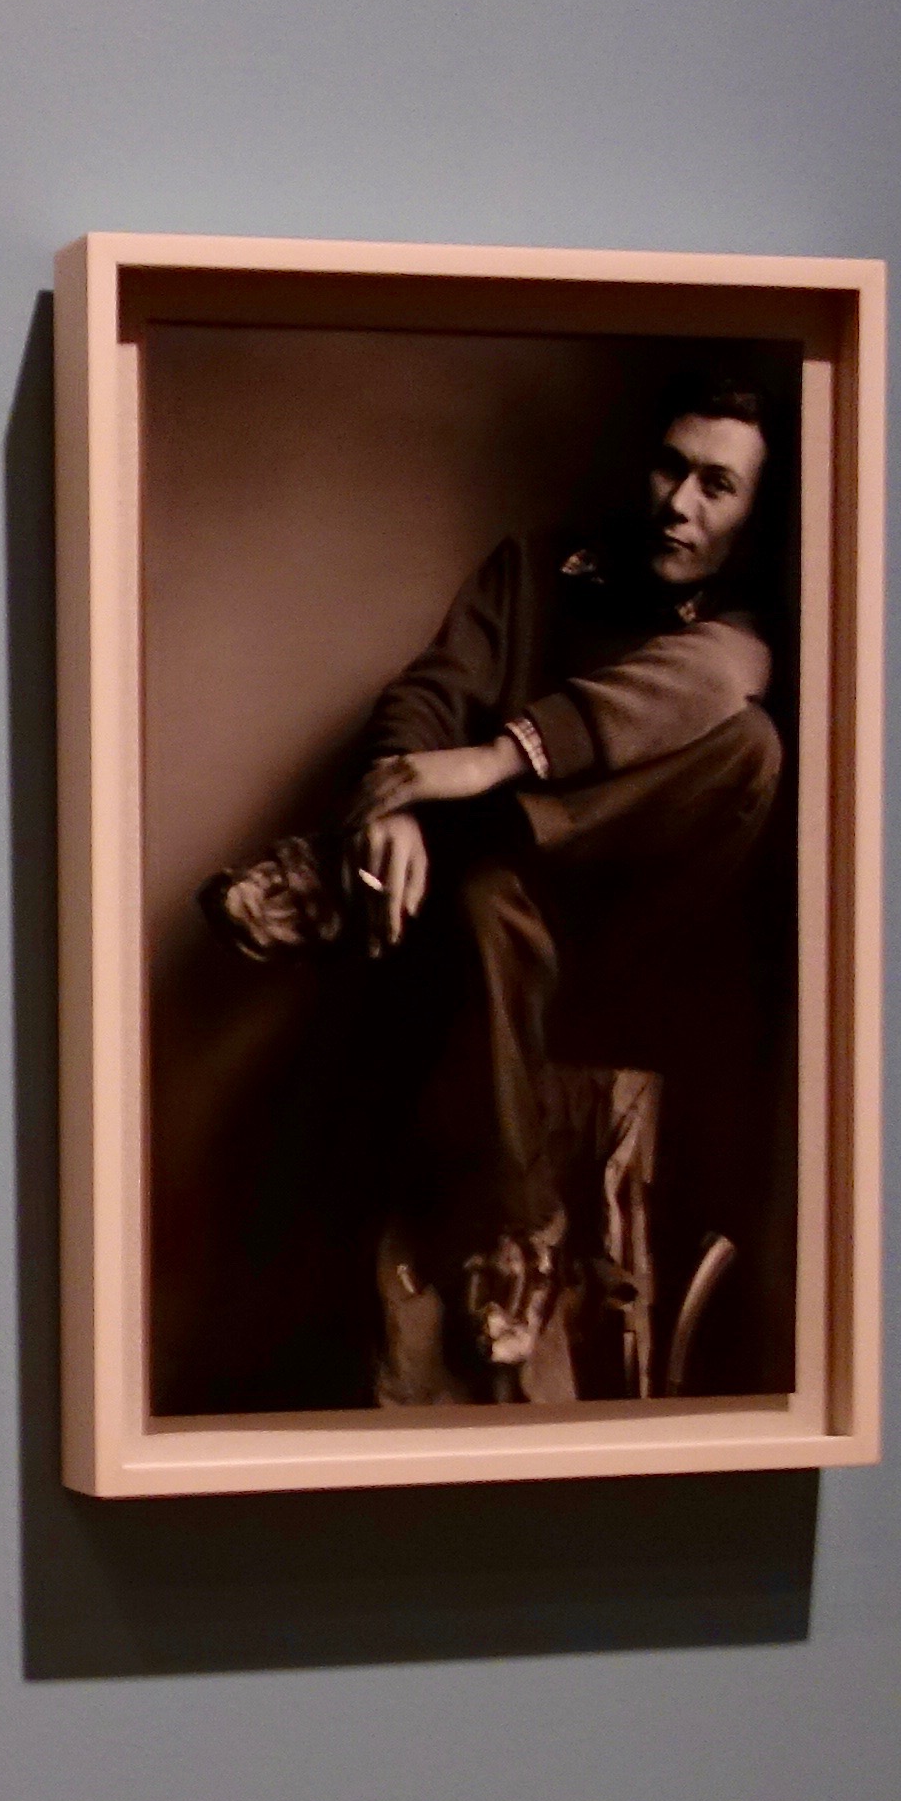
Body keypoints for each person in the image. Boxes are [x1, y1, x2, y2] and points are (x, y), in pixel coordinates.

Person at [326, 379, 790, 1383]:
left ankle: (418, 856)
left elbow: (717, 680)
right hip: (504, 920)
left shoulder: (758, 620)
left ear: (756, 512)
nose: (680, 504)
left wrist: (494, 766)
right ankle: (523, 1232)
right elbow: (432, 689)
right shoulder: (543, 566)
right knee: (484, 895)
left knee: (751, 744)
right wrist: (396, 798)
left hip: (638, 951)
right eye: (671, 467)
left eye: (718, 486)